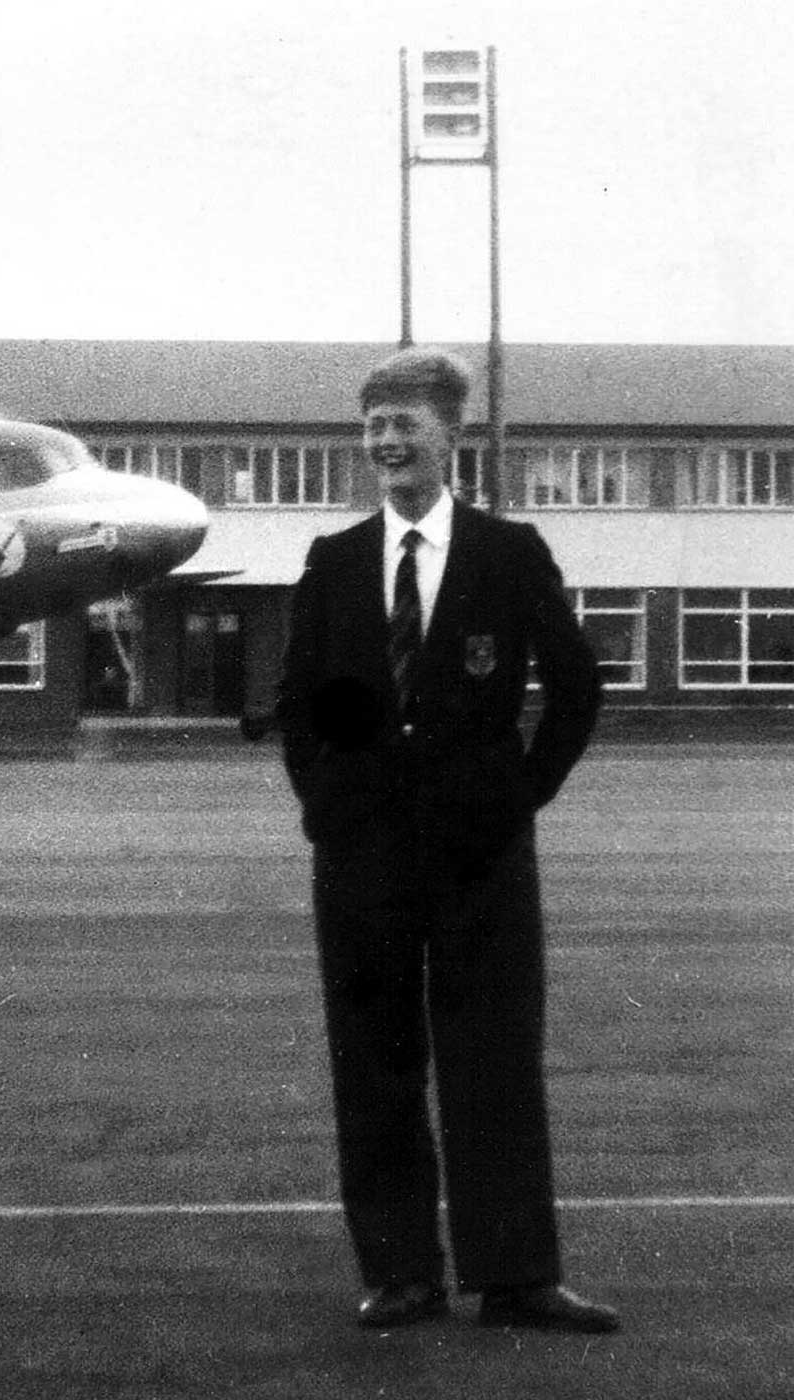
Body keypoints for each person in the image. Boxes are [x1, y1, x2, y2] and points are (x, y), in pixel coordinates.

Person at [274, 348, 619, 1334]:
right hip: (362, 860)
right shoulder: (335, 560)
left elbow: (575, 687)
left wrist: (517, 797)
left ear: (449, 436)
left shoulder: (508, 554)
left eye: (405, 425)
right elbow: (302, 702)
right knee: (373, 1061)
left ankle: (515, 1277)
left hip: (480, 859)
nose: (386, 442)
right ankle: (400, 1273)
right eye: (373, 425)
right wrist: (327, 806)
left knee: (493, 1057)